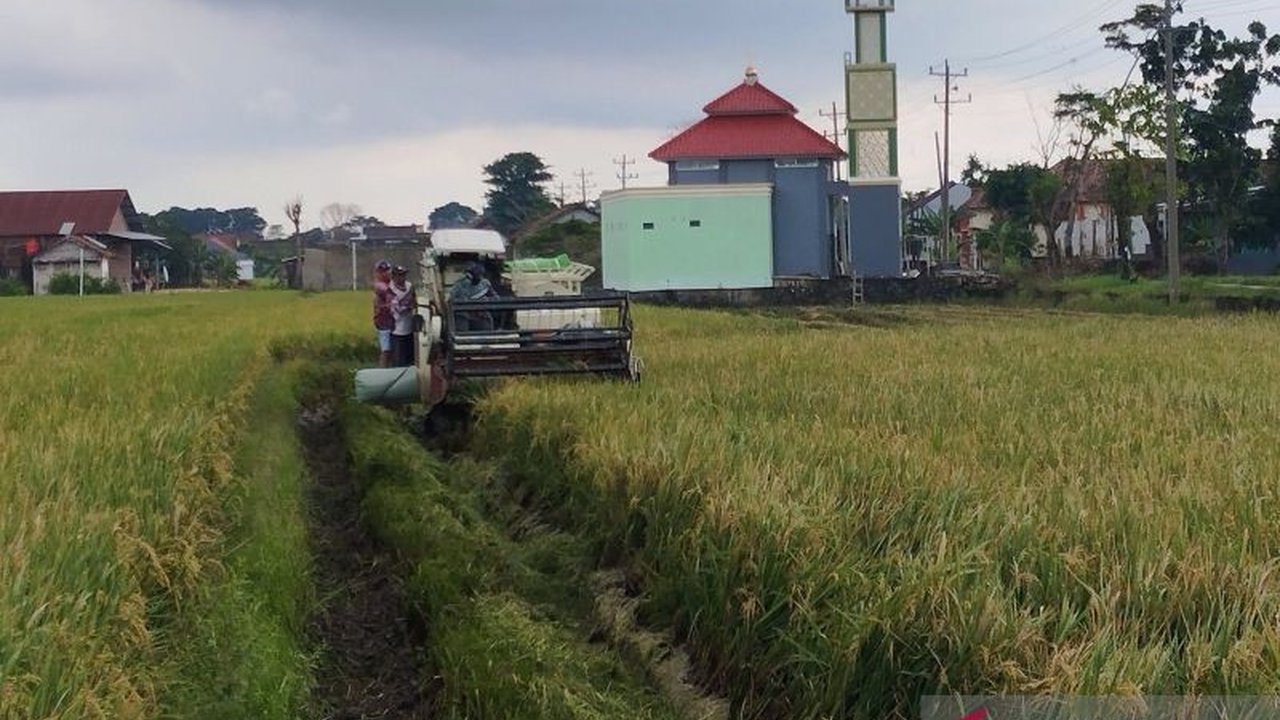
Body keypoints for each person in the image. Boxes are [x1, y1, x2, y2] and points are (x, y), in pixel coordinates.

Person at [449, 262, 497, 331]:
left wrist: (488, 299)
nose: (479, 277)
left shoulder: (485, 284)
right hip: (463, 314)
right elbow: (451, 299)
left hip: (480, 313)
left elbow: (496, 298)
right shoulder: (460, 285)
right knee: (462, 326)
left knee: (486, 325)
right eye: (477, 275)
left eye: (480, 275)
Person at [389, 265, 417, 367]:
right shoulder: (390, 289)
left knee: (410, 360)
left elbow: (414, 301)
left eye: (404, 275)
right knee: (398, 361)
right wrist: (409, 305)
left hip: (409, 328)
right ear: (393, 276)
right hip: (397, 330)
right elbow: (399, 309)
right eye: (399, 275)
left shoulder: (409, 286)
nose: (402, 278)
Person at [371, 259, 394, 367]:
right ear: (378, 273)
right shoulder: (381, 286)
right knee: (386, 350)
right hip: (384, 322)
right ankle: (382, 372)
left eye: (387, 270)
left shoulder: (389, 284)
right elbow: (389, 293)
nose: (386, 273)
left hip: (390, 321)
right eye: (383, 271)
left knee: (390, 351)